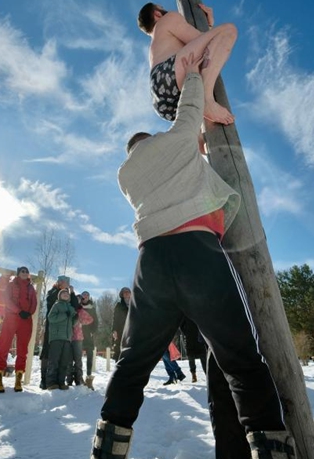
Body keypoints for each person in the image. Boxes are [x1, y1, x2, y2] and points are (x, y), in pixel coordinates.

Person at [90, 53, 294, 458]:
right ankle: (270, 443)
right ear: (150, 139)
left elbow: (178, 167)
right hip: (196, 251)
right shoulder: (171, 143)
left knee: (133, 361)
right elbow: (189, 111)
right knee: (239, 356)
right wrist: (197, 74)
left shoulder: (125, 175)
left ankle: (108, 443)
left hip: (151, 260)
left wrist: (190, 144)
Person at [137, 2, 237, 125]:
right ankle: (206, 99)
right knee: (228, 30)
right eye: (162, 7)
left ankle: (202, 139)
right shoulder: (168, 18)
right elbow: (204, 41)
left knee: (204, 132)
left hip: (164, 102)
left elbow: (200, 45)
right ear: (157, 13)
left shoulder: (155, 45)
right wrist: (209, 25)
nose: (166, 9)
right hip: (171, 73)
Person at [0, 266, 37, 393]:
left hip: (26, 320)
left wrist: (29, 313)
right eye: (22, 271)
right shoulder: (11, 285)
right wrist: (18, 311)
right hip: (11, 318)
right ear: (18, 273)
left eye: (27, 271)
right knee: (4, 345)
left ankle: (18, 378)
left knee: (23, 349)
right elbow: (7, 300)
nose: (25, 273)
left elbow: (34, 302)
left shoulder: (31, 288)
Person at [39, 275, 78, 389]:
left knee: (63, 358)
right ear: (60, 283)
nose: (67, 287)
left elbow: (75, 308)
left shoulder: (68, 300)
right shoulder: (53, 292)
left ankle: (60, 381)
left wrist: (72, 293)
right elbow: (52, 306)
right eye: (65, 283)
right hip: (52, 329)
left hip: (65, 334)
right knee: (49, 353)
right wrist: (62, 293)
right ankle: (45, 380)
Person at [46, 288, 75, 390]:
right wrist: (64, 315)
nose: (66, 295)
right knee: (54, 360)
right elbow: (51, 318)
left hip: (67, 338)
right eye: (63, 293)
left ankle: (61, 382)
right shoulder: (57, 305)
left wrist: (75, 319)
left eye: (67, 294)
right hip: (56, 337)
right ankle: (51, 383)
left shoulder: (70, 307)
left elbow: (72, 322)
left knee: (64, 362)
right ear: (59, 296)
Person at [67, 291, 94, 387]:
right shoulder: (68, 309)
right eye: (76, 299)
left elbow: (90, 319)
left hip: (78, 337)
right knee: (69, 360)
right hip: (68, 338)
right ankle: (69, 379)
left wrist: (81, 322)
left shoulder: (80, 311)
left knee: (78, 359)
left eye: (79, 300)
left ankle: (79, 379)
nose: (78, 301)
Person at [79, 291, 99, 389]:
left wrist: (92, 331)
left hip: (88, 335)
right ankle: (78, 377)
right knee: (77, 356)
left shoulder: (92, 308)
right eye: (84, 295)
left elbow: (96, 321)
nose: (85, 297)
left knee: (90, 355)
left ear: (89, 297)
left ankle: (89, 378)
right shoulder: (78, 306)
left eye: (87, 295)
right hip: (78, 333)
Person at [180, 317, 206, 383]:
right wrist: (186, 332)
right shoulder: (185, 313)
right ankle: (193, 374)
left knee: (203, 357)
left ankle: (207, 374)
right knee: (191, 358)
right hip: (190, 338)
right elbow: (181, 325)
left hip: (199, 337)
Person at [111, 287, 131, 361]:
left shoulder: (134, 305)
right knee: (119, 351)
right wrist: (114, 330)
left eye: (128, 291)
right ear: (122, 295)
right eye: (124, 292)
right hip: (121, 330)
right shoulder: (119, 305)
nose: (126, 293)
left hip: (132, 331)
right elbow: (115, 319)